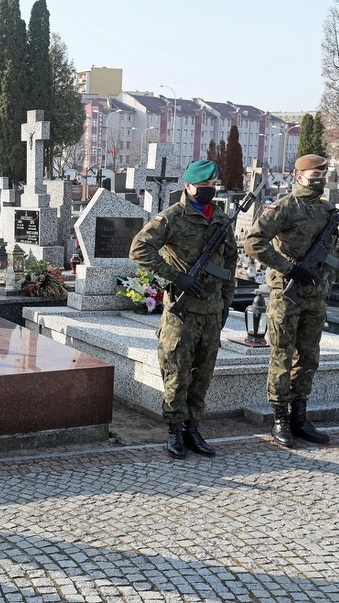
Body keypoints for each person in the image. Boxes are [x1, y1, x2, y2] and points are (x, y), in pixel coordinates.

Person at [129, 159, 236, 459]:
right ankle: (175, 431)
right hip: (183, 313)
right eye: (203, 187)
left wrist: (227, 302)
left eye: (213, 186)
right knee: (177, 373)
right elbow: (139, 249)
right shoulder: (172, 218)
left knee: (203, 373)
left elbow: (230, 265)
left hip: (212, 310)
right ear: (188, 187)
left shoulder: (221, 220)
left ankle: (193, 429)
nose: (209, 192)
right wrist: (177, 276)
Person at [243, 154, 333, 448]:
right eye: (315, 174)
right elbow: (254, 241)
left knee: (308, 357)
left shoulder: (326, 209)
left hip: (315, 294)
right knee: (282, 354)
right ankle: (280, 418)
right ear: (299, 177)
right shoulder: (284, 207)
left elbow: (332, 253)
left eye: (323, 173)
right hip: (287, 292)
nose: (320, 178)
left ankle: (299, 416)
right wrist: (288, 267)